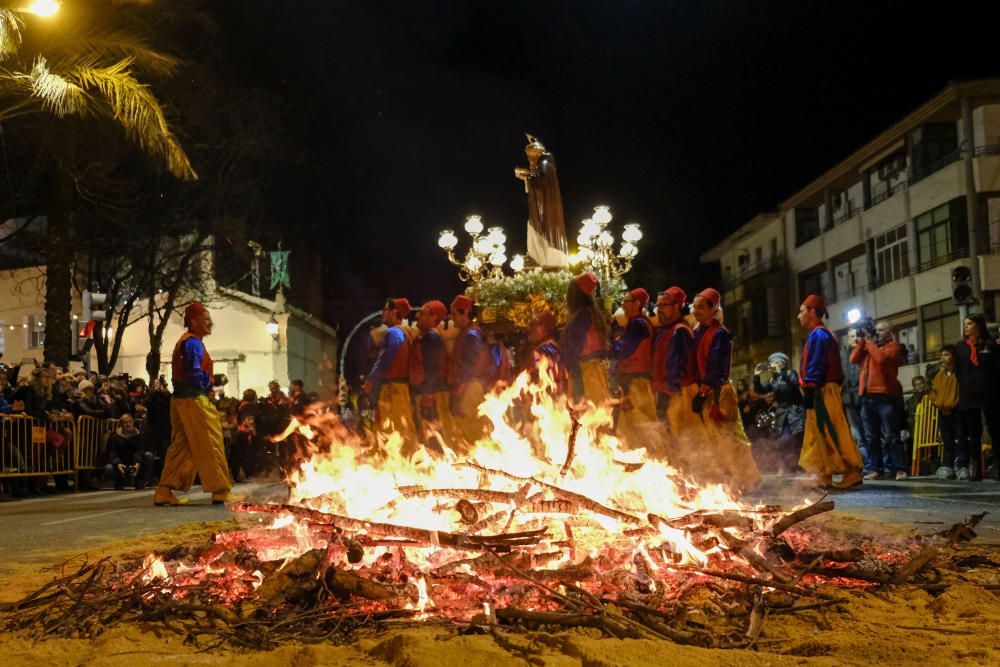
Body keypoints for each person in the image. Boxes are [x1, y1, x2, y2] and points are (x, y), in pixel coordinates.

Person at [154, 302, 234, 506]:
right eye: (206, 319)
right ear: (194, 321)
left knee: (183, 445)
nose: (210, 323)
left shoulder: (190, 341)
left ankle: (164, 490)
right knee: (211, 440)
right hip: (193, 400)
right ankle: (220, 490)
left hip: (181, 400)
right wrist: (212, 381)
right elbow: (193, 372)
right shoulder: (192, 343)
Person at [687, 288, 761, 490]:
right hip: (707, 390)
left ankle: (747, 478)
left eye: (701, 307)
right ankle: (730, 478)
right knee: (715, 438)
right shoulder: (699, 330)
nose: (696, 310)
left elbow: (716, 361)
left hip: (720, 392)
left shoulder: (720, 333)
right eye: (694, 306)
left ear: (713, 309)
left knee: (730, 437)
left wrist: (707, 385)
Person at [797, 295, 864, 488]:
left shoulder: (819, 335)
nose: (798, 316)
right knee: (818, 432)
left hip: (822, 389)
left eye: (801, 311)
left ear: (812, 312)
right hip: (819, 388)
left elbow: (816, 364)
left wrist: (809, 387)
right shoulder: (818, 334)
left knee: (831, 430)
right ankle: (823, 473)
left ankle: (851, 471)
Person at [851, 319, 907, 480]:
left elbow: (881, 359)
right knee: (871, 436)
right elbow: (853, 358)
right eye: (877, 330)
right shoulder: (871, 346)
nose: (878, 333)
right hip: (867, 397)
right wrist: (863, 341)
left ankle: (900, 469)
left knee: (891, 435)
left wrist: (869, 342)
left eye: (881, 330)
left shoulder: (894, 347)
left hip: (885, 397)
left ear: (890, 331)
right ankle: (876, 468)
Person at [363, 298, 419, 454]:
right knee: (390, 429)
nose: (383, 313)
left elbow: (386, 356)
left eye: (385, 310)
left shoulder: (395, 332)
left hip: (395, 389)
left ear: (394, 312)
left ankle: (411, 464)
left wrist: (372, 378)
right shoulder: (402, 332)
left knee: (401, 430)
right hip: (394, 388)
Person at [952, 313, 1000, 481]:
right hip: (969, 394)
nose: (966, 326)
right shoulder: (960, 347)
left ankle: (997, 465)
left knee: (995, 430)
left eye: (970, 323)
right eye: (965, 324)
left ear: (979, 325)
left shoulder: (990, 345)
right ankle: (975, 468)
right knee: (973, 433)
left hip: (989, 393)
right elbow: (957, 371)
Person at [611, 288, 660, 451]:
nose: (622, 305)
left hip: (637, 384)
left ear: (637, 304)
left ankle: (656, 462)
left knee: (643, 428)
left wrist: (607, 344)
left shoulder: (638, 324)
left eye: (625, 301)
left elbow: (623, 350)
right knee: (632, 428)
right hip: (633, 383)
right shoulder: (636, 324)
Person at [650, 287, 698, 450]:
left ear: (677, 306)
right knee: (668, 437)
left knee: (679, 437)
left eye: (664, 305)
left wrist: (670, 393)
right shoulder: (665, 331)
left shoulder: (680, 331)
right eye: (658, 306)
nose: (660, 310)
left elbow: (676, 364)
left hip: (678, 393)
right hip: (666, 392)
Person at [410, 300, 457, 451]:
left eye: (423, 313)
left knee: (434, 434)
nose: (417, 316)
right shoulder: (429, 336)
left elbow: (433, 366)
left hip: (433, 394)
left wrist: (428, 394)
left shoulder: (432, 336)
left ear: (434, 317)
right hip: (432, 392)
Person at [448, 295, 493, 448]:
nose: (452, 318)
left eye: (454, 314)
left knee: (471, 427)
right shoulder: (469, 333)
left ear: (465, 313)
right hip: (468, 386)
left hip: (470, 388)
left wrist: (461, 388)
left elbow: (472, 365)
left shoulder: (471, 335)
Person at [752, 352, 805, 474]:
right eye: (771, 363)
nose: (772, 365)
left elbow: (794, 386)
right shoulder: (773, 379)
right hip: (782, 414)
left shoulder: (790, 373)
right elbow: (762, 390)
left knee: (794, 439)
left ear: (783, 363)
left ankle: (796, 465)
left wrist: (781, 373)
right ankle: (786, 466)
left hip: (795, 412)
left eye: (775, 362)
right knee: (781, 440)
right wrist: (756, 377)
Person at [563, 272, 611, 407]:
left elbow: (574, 347)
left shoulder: (582, 316)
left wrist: (571, 368)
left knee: (586, 413)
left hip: (585, 372)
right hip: (595, 370)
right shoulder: (592, 313)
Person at [929, 345, 961, 479]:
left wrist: (955, 403)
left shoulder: (959, 373)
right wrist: (936, 402)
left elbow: (960, 391)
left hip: (957, 410)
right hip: (942, 411)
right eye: (942, 355)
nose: (943, 357)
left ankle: (960, 464)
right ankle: (948, 466)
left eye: (946, 354)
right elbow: (934, 391)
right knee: (947, 440)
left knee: (961, 438)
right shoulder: (939, 375)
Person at [105, 413, 153, 490]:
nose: (128, 424)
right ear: (120, 424)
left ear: (133, 422)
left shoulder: (139, 435)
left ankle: (140, 480)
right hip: (121, 463)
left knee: (148, 455)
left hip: (134, 462)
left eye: (130, 422)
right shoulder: (114, 436)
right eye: (125, 422)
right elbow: (112, 452)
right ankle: (119, 481)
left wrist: (137, 463)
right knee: (108, 468)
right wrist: (118, 464)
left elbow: (140, 450)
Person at [526, 309, 566, 391]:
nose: (530, 329)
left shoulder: (543, 350)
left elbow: (531, 373)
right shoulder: (555, 346)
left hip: (547, 395)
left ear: (542, 328)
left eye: (533, 325)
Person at [840, 328, 863, 443]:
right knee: (856, 433)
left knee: (869, 430)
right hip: (848, 397)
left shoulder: (865, 351)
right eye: (852, 336)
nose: (855, 339)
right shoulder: (843, 355)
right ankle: (863, 460)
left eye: (856, 336)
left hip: (864, 396)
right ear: (848, 339)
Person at [902, 375, 927, 465]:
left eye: (921, 383)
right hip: (915, 427)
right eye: (916, 384)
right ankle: (910, 463)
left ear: (924, 384)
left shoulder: (929, 396)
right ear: (914, 387)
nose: (919, 386)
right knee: (908, 435)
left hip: (927, 427)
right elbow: (908, 415)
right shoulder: (911, 400)